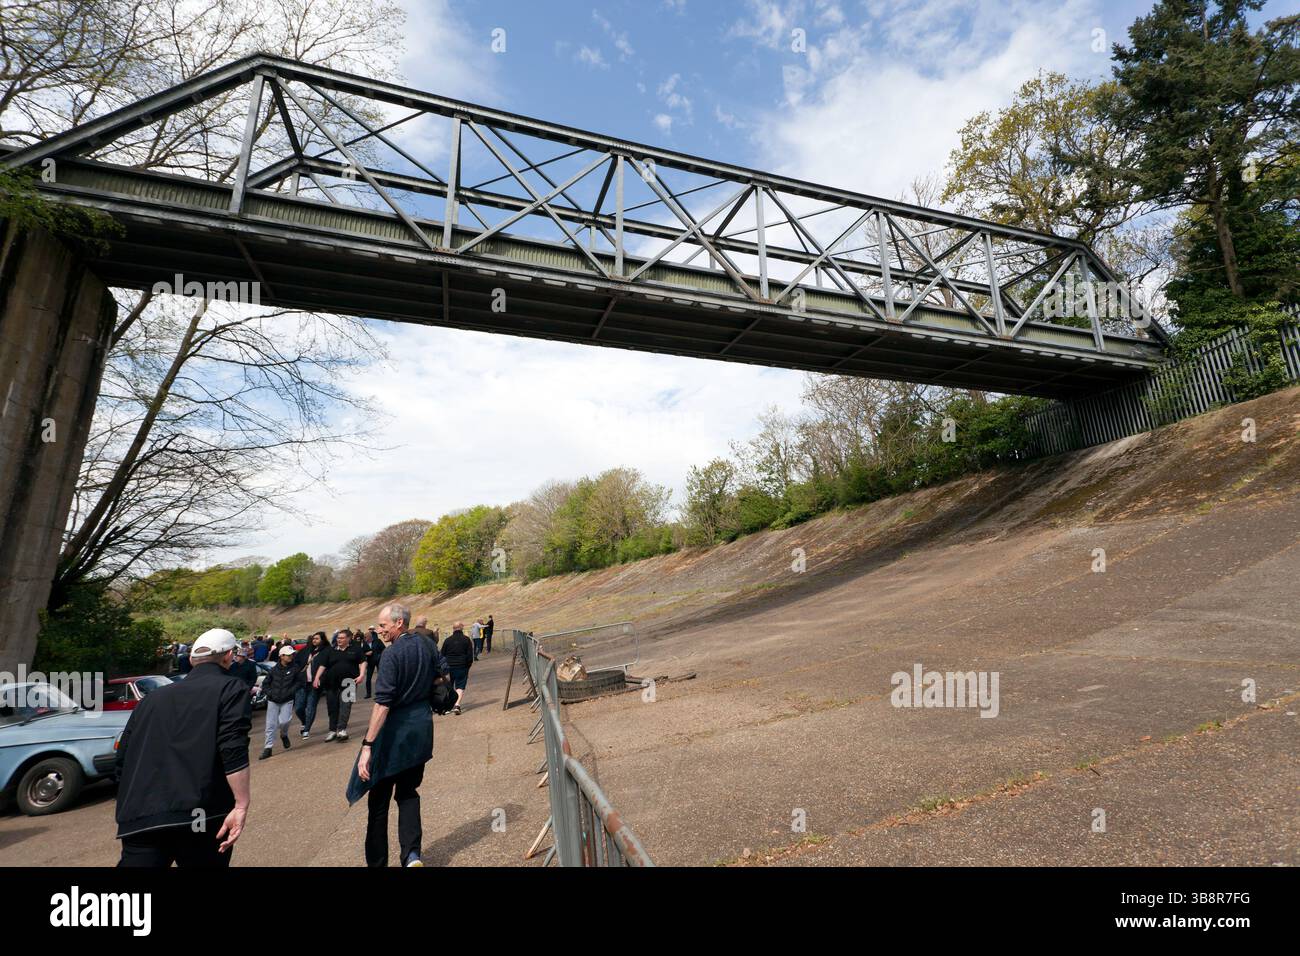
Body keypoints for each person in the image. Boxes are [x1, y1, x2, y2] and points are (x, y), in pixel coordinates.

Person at [114, 628, 251, 866]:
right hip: (199, 815)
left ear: (191, 659)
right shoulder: (231, 688)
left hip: (140, 817)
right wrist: (241, 803)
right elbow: (232, 746)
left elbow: (122, 759)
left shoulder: (151, 699)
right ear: (229, 656)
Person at [348, 603, 449, 868]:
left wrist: (368, 745)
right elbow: (443, 673)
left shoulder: (391, 656)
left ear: (399, 624)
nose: (379, 630)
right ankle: (412, 855)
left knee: (378, 804)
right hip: (421, 730)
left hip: (394, 735)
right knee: (408, 793)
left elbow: (382, 704)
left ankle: (378, 863)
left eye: (383, 626)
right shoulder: (427, 645)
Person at [322, 629, 366, 742]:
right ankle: (332, 731)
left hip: (350, 683)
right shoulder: (331, 650)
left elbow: (363, 662)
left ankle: (341, 730)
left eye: (341, 638)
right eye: (338, 638)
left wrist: (361, 675)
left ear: (348, 638)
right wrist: (317, 678)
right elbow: (323, 665)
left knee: (345, 706)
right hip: (331, 684)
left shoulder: (356, 649)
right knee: (332, 708)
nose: (339, 640)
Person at [258, 645, 301, 759]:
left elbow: (299, 682)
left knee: (284, 721)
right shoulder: (273, 670)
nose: (291, 656)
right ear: (281, 656)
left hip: (287, 700)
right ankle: (268, 748)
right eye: (288, 655)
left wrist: (291, 691)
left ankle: (284, 734)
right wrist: (270, 693)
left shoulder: (295, 668)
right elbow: (265, 684)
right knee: (270, 725)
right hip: (273, 700)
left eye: (292, 654)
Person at [295, 632, 329, 739]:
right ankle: (304, 721)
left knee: (310, 707)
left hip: (315, 684)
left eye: (317, 639)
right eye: (313, 639)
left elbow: (327, 666)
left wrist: (322, 679)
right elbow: (296, 664)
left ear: (322, 640)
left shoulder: (326, 651)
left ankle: (306, 729)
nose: (314, 641)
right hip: (302, 683)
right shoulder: (305, 651)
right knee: (299, 708)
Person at [440, 622, 474, 715]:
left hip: (448, 666)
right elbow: (470, 655)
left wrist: (442, 667)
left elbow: (442, 654)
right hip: (462, 665)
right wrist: (468, 665)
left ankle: (448, 707)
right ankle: (457, 705)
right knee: (460, 686)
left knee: (449, 686)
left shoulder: (447, 640)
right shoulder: (466, 640)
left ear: (453, 628)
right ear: (461, 628)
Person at [363, 628, 384, 699]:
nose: (365, 639)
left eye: (366, 637)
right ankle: (368, 694)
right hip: (370, 663)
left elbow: (384, 650)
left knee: (380, 678)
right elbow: (361, 653)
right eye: (364, 637)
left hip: (379, 661)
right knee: (368, 679)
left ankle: (380, 693)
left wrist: (379, 656)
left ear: (370, 637)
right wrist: (366, 653)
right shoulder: (364, 643)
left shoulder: (378, 641)